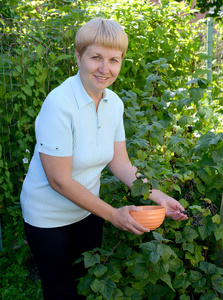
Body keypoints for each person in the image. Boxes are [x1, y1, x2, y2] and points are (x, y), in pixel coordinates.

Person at [20, 18, 187, 300]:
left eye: (113, 60)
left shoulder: (114, 103)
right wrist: (112, 214)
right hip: (47, 217)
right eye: (95, 57)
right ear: (78, 56)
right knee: (60, 291)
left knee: (85, 285)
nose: (104, 69)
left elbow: (120, 163)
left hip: (87, 211)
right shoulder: (59, 104)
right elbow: (58, 180)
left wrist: (157, 195)